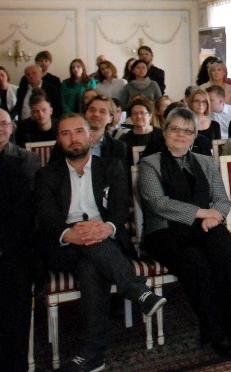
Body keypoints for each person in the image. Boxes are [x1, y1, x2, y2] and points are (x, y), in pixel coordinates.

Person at [35, 114, 166, 372]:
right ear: (58, 139)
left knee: (91, 267)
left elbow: (118, 212)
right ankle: (134, 289)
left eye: (79, 131)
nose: (74, 138)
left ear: (90, 135)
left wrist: (106, 228)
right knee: (90, 249)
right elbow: (48, 219)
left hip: (104, 240)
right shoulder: (46, 175)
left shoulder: (111, 167)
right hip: (64, 246)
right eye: (65, 133)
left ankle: (92, 355)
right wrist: (71, 234)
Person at [136, 107, 231, 357]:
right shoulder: (149, 164)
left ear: (195, 136)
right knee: (196, 264)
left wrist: (215, 215)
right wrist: (202, 213)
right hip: (164, 231)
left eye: (188, 131)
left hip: (204, 226)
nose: (181, 135)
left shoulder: (206, 162)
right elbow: (158, 203)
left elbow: (222, 199)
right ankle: (215, 333)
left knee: (223, 255)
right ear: (164, 132)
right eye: (175, 128)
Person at [0, 109, 39, 372]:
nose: (0, 128)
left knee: (13, 302)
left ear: (12, 127)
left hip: (15, 246)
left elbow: (26, 212)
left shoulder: (26, 159)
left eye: (3, 123)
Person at [119, 98, 164, 164]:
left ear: (150, 116)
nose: (139, 116)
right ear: (131, 117)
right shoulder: (124, 139)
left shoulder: (162, 136)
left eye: (142, 113)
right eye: (134, 113)